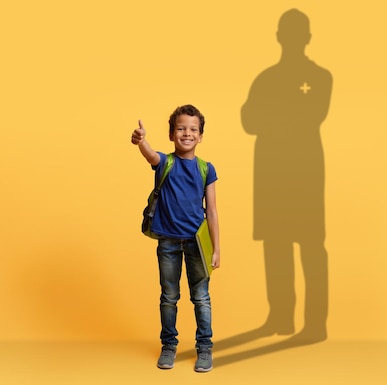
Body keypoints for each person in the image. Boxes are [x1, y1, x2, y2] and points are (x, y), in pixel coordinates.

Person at [241, 9, 331, 343]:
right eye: (287, 33)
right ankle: (280, 316)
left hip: (304, 175)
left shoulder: (321, 77)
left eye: (298, 33)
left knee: (310, 245)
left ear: (306, 38)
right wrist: (284, 115)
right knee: (275, 245)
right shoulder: (265, 79)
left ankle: (316, 323)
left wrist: (273, 116)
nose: (292, 39)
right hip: (271, 175)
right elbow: (248, 121)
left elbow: (312, 116)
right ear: (279, 37)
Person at [131, 104, 220, 372]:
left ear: (201, 136)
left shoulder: (207, 169)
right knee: (169, 296)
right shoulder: (165, 163)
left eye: (193, 129)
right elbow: (150, 156)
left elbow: (213, 211)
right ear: (171, 134)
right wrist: (142, 141)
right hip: (168, 242)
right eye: (181, 128)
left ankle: (204, 348)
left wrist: (216, 249)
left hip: (197, 243)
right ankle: (169, 345)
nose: (187, 133)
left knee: (201, 297)